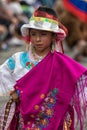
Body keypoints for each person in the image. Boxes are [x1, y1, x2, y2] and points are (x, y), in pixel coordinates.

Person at [0, 6, 87, 130]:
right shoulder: (18, 59)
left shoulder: (61, 63)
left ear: (53, 36)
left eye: (43, 34)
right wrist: (13, 91)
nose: (37, 39)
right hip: (25, 119)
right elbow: (3, 75)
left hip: (53, 119)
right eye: (33, 34)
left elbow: (79, 83)